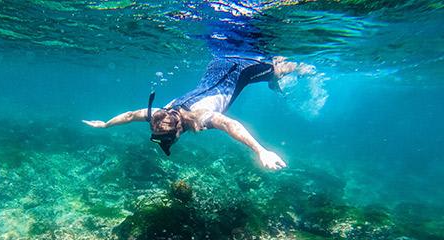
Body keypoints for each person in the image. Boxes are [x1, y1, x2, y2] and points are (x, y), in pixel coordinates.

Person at [83, 56, 315, 170]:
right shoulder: (161, 112)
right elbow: (131, 115)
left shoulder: (201, 116)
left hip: (240, 69)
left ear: (177, 133)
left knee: (276, 70)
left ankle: (303, 69)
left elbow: (230, 126)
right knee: (269, 75)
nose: (171, 143)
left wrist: (261, 151)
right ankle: (273, 80)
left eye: (169, 142)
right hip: (217, 63)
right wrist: (105, 124)